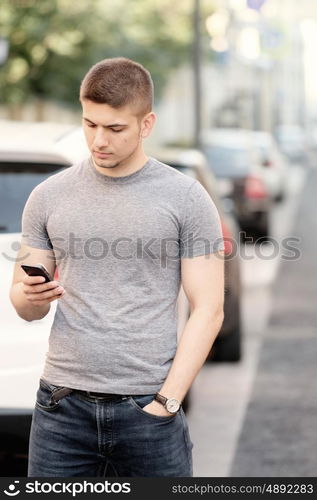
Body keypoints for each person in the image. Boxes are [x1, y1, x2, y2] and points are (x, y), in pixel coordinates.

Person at [10, 57, 225, 477]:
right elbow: (25, 303)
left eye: (115, 128)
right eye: (90, 124)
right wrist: (30, 296)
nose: (98, 140)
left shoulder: (186, 198)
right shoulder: (48, 196)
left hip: (147, 409)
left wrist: (167, 401)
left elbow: (209, 309)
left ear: (146, 125)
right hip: (60, 408)